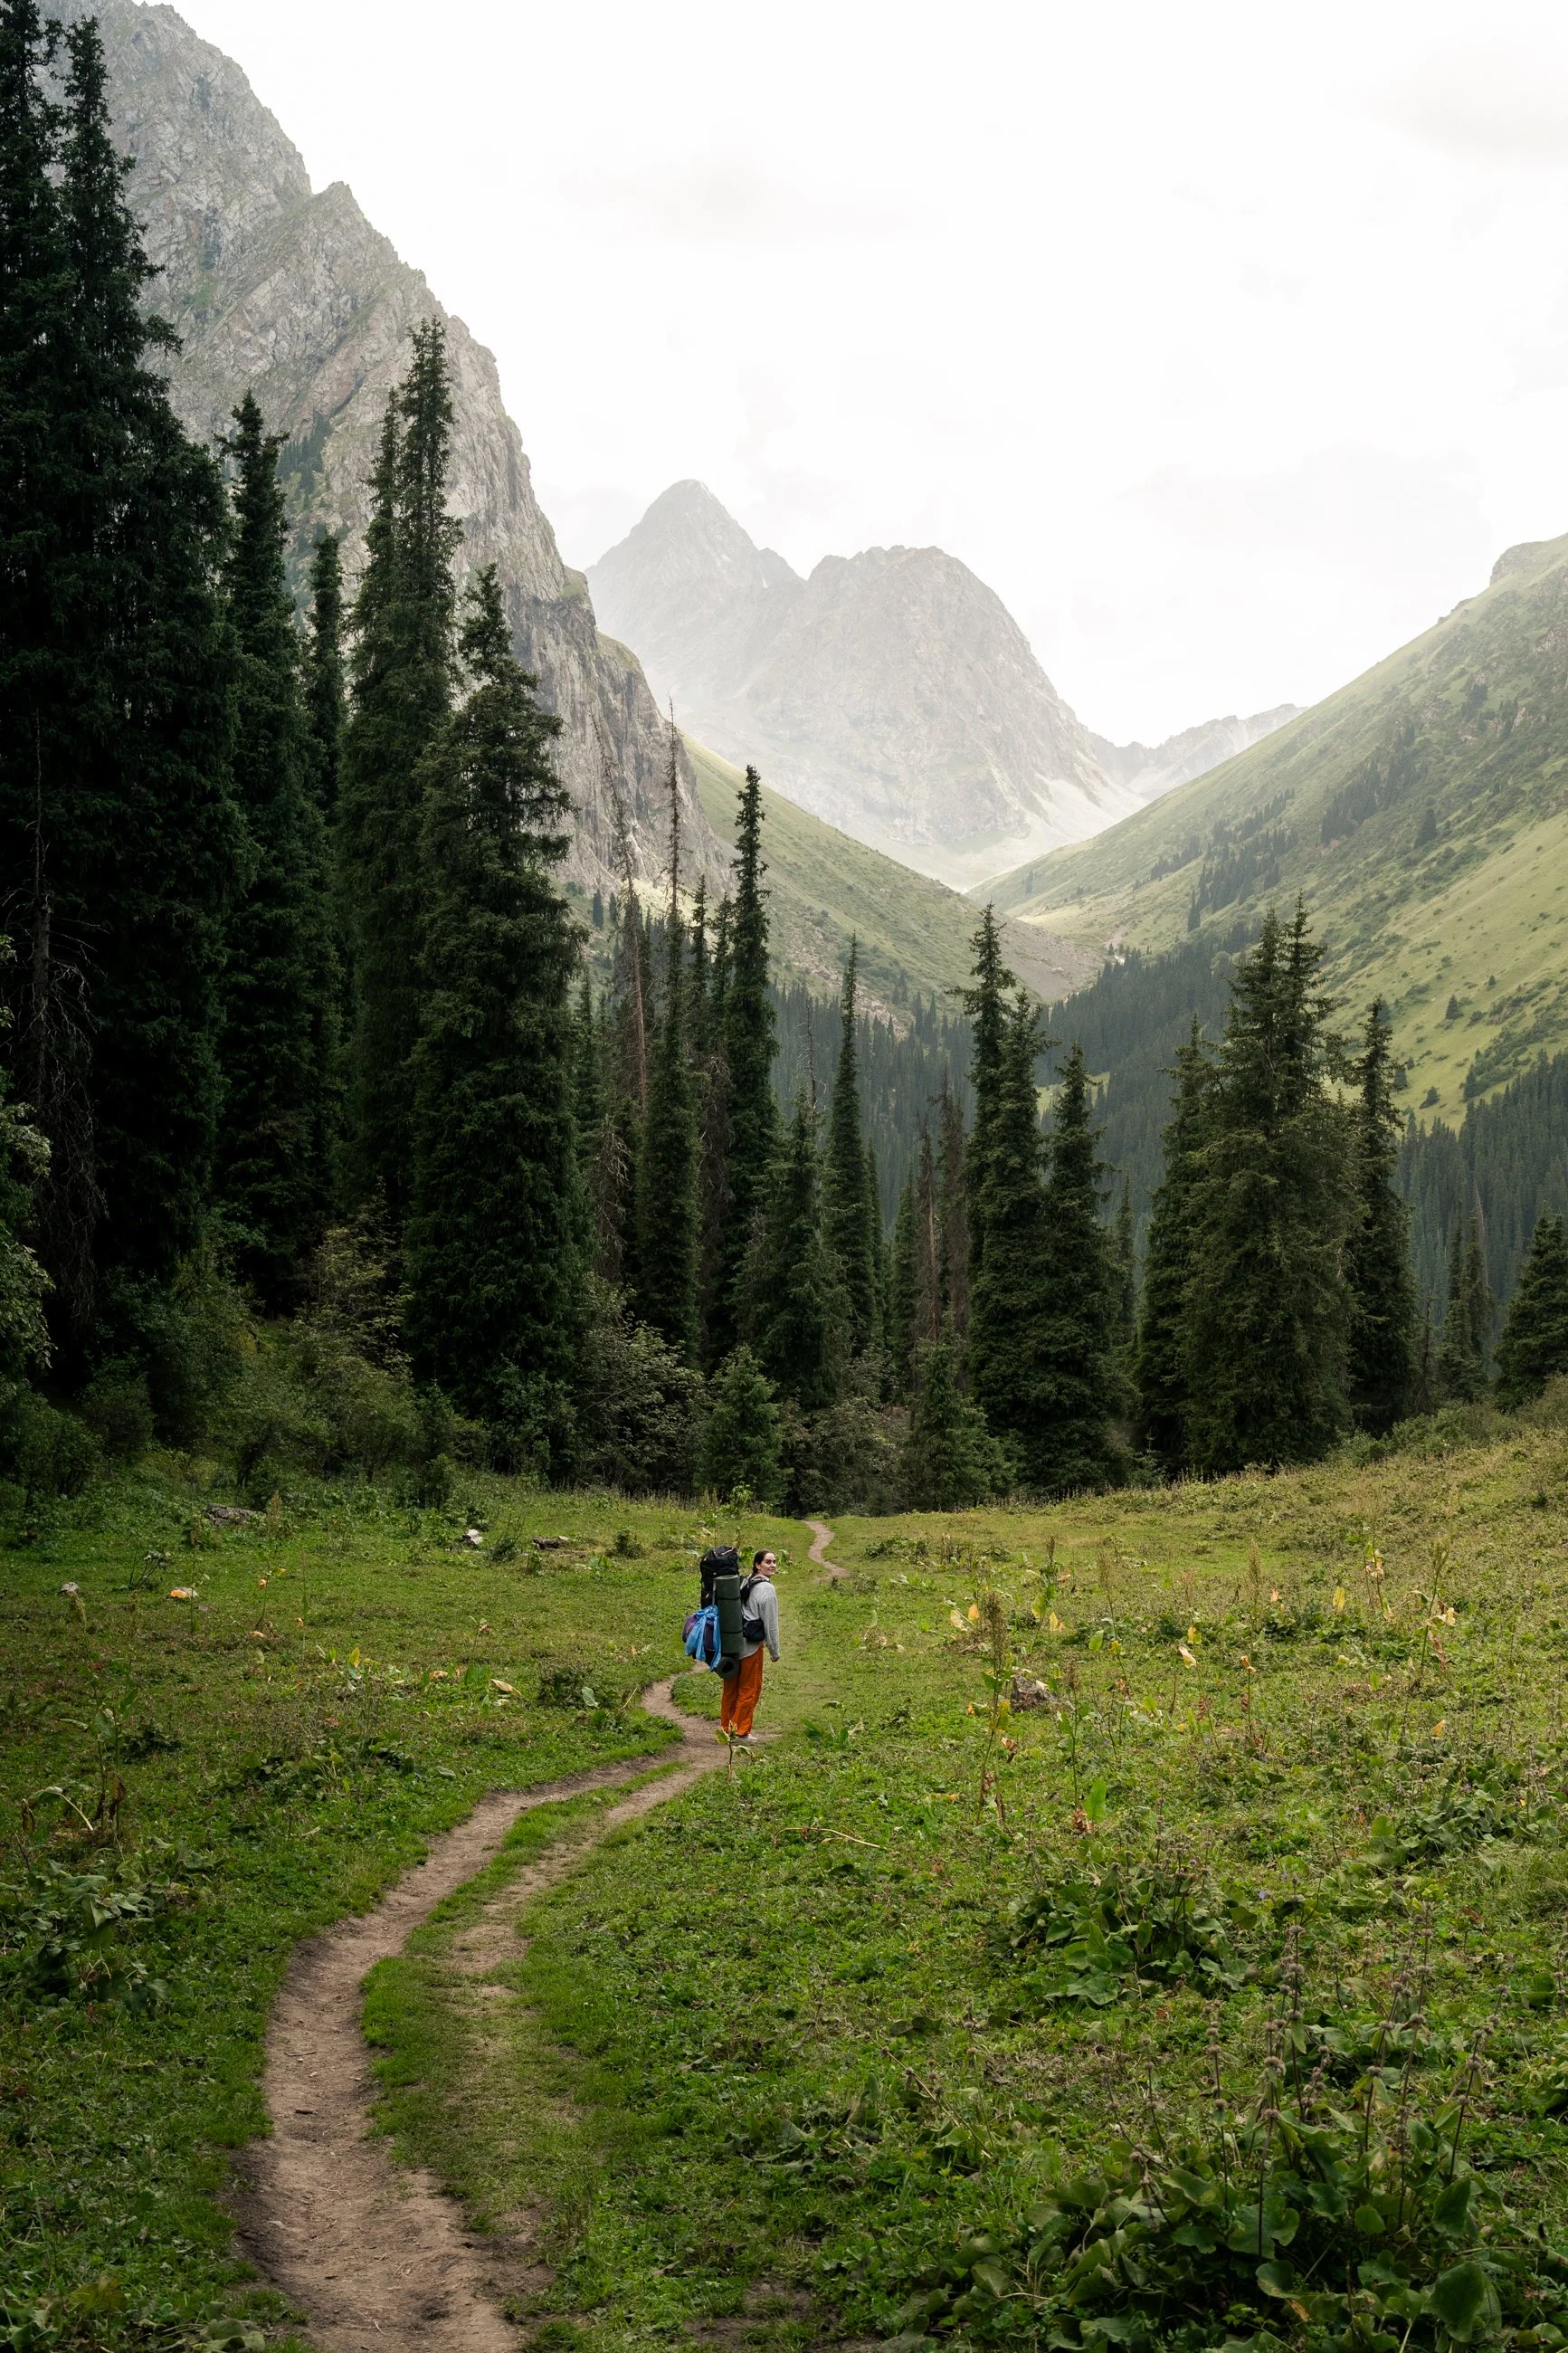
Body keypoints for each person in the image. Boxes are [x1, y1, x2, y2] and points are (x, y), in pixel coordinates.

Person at [718, 1548, 780, 1744]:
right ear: (757, 1565)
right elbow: (770, 1623)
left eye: (774, 1562)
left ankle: (726, 1728)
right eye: (768, 1562)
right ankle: (740, 1732)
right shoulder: (767, 1589)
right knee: (749, 1688)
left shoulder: (747, 1581)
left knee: (731, 1688)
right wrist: (774, 1650)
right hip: (751, 1647)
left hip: (733, 1642)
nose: (773, 1565)